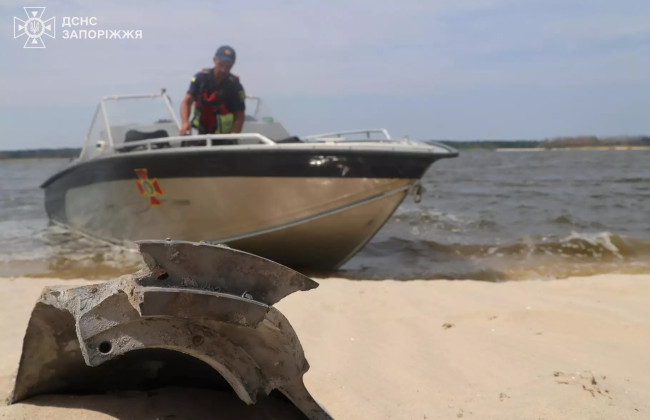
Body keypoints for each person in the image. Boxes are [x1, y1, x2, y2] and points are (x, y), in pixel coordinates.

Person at [179, 45, 246, 136]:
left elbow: (240, 116)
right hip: (199, 133)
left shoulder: (235, 85)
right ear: (215, 60)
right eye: (221, 64)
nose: (223, 70)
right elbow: (186, 102)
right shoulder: (200, 79)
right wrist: (185, 123)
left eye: (228, 66)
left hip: (224, 138)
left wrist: (233, 136)